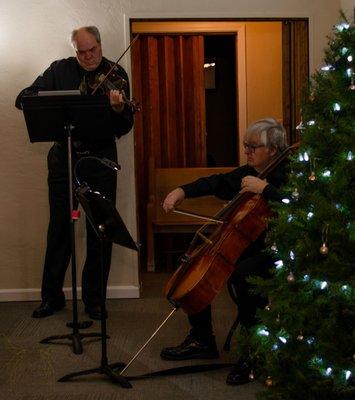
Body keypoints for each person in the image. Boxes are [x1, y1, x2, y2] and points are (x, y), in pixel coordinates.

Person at [15, 26, 134, 320]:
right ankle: (52, 297)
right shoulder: (59, 70)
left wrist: (118, 109)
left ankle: (94, 301)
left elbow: (124, 127)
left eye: (92, 50)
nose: (88, 57)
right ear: (74, 50)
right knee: (60, 228)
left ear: (100, 46)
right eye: (81, 52)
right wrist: (36, 98)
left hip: (100, 161)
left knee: (99, 229)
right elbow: (25, 97)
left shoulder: (116, 74)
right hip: (64, 159)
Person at [160, 118, 289, 385]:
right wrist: (181, 191)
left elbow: (298, 205)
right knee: (199, 254)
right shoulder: (252, 171)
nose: (247, 152)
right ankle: (202, 338)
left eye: (253, 147)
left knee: (243, 274)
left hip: (281, 251)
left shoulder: (289, 174)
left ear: (274, 150)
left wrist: (266, 190)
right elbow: (218, 182)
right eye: (246, 146)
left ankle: (254, 352)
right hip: (248, 244)